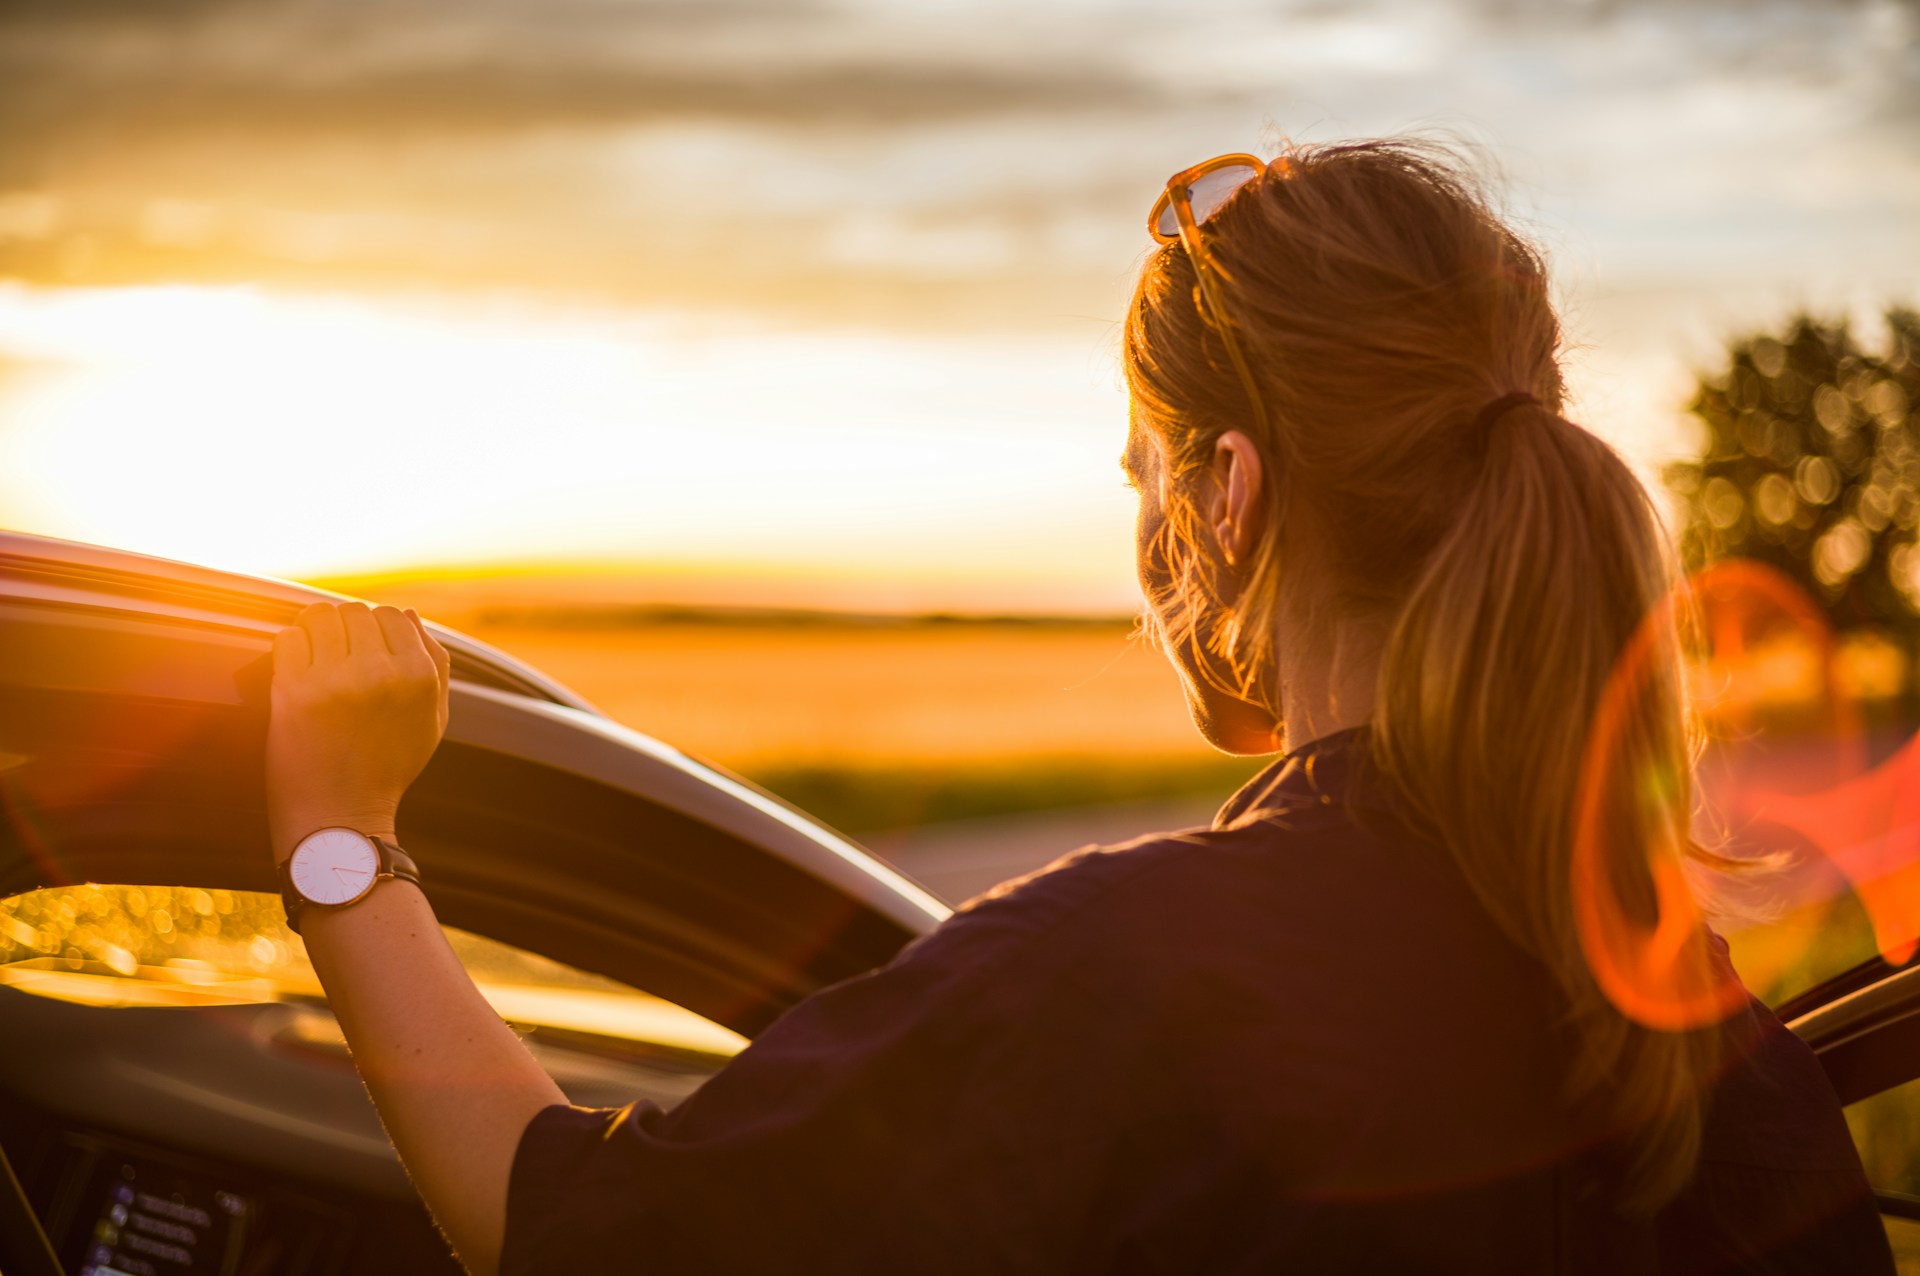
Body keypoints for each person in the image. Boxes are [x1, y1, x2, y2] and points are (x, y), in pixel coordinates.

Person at [263, 139, 1894, 1274]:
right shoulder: (1714, 1049)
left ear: (1229, 496)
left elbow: (566, 1240)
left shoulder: (1126, 981)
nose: (1144, 542)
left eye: (1144, 477)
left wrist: (338, 834)